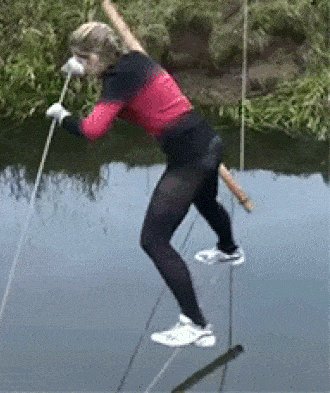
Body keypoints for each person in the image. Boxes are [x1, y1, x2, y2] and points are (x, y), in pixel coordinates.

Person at [46, 21, 244, 347]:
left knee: (154, 241)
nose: (78, 64)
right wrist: (80, 70)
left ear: (96, 57)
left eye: (81, 58)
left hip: (190, 158)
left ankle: (196, 325)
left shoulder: (119, 80)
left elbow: (93, 131)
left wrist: (63, 117)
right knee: (206, 201)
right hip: (208, 142)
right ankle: (229, 250)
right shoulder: (135, 61)